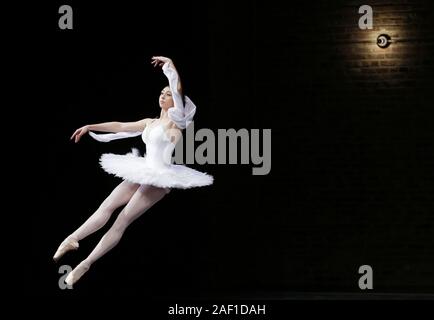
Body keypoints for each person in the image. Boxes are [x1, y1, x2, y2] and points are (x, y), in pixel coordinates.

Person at [53, 56, 213, 286]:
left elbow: (178, 90)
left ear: (177, 103)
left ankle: (85, 264)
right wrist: (90, 127)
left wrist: (170, 66)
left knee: (122, 219)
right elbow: (120, 126)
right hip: (143, 168)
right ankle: (71, 239)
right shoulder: (150, 122)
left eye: (167, 94)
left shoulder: (175, 122)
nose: (163, 95)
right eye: (161, 92)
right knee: (106, 206)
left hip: (159, 177)